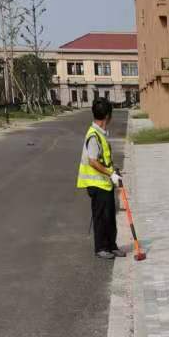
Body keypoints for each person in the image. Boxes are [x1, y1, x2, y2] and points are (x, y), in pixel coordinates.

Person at [77, 97, 123, 259]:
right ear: (108, 116)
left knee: (110, 217)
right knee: (101, 218)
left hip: (105, 182)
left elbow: (103, 158)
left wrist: (113, 171)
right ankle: (101, 248)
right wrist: (111, 174)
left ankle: (112, 245)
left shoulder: (100, 133)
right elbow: (93, 161)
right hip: (97, 184)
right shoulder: (94, 136)